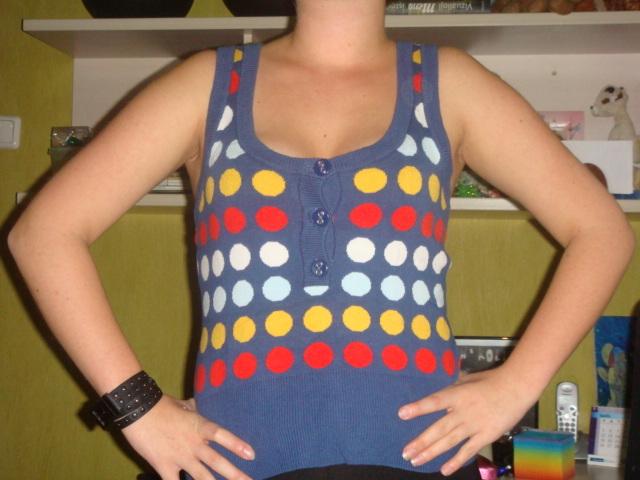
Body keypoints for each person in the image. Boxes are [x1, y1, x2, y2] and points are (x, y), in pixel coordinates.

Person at [7, 0, 636, 479]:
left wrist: (517, 384)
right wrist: (137, 409)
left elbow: (601, 231)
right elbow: (43, 233)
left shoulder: (449, 84)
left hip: (417, 462)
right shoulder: (207, 85)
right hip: (235, 465)